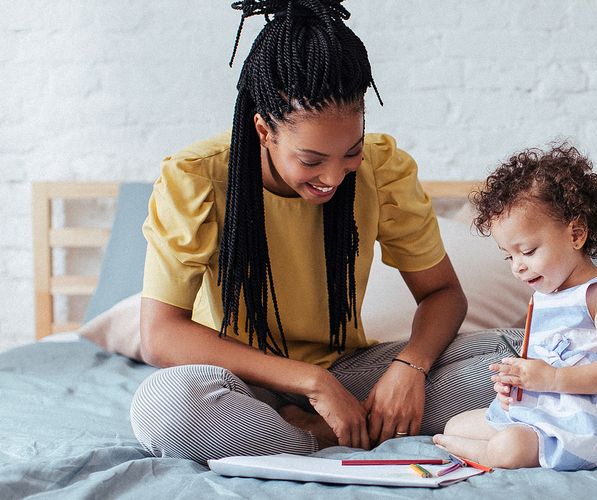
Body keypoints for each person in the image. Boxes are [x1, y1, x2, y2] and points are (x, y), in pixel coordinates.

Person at [129, 0, 507, 464]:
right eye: (311, 161)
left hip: (349, 377)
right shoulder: (197, 178)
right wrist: (312, 383)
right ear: (264, 130)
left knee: (521, 356)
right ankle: (332, 438)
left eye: (349, 153)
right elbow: (160, 335)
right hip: (237, 384)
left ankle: (309, 434)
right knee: (165, 407)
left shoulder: (383, 169)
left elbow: (444, 294)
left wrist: (410, 368)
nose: (333, 177)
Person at [432, 143, 597, 470]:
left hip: (588, 419)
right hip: (545, 410)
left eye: (528, 250)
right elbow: (540, 364)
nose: (517, 267)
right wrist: (516, 381)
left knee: (510, 447)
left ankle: (478, 451)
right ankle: (470, 441)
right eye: (509, 256)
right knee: (456, 423)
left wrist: (551, 379)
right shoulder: (542, 299)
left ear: (576, 234)